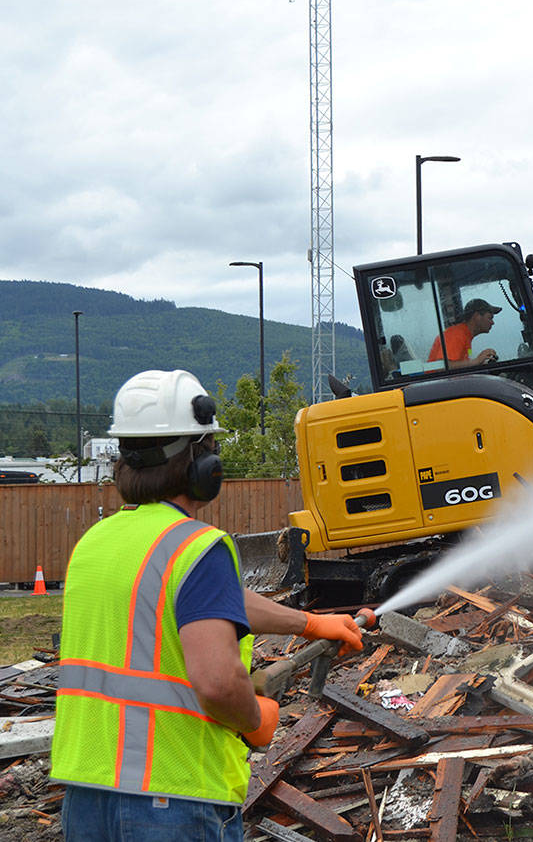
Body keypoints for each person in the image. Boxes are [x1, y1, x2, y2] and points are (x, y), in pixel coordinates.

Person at [50, 369, 365, 841]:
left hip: (87, 792)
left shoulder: (96, 542)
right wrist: (255, 720)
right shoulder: (198, 546)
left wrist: (310, 624)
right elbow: (217, 683)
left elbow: (211, 604)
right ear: (201, 465)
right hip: (174, 797)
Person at [427, 298, 502, 368]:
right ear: (477, 316)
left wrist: (480, 363)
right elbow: (442, 367)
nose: (492, 323)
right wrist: (477, 361)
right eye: (490, 318)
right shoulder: (456, 334)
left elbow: (460, 365)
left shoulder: (466, 336)